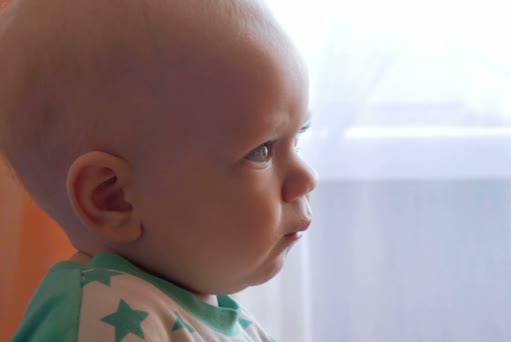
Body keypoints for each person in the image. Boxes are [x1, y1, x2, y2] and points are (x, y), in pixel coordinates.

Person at [0, 0, 318, 340]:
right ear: (114, 198)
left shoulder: (208, 309)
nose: (306, 178)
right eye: (261, 151)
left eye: (298, 137)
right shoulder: (103, 318)